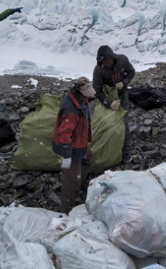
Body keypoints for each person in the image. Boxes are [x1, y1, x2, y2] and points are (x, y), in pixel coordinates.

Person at [52, 77, 96, 214]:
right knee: (71, 183)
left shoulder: (80, 100)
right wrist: (67, 155)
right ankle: (66, 212)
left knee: (89, 159)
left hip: (80, 142)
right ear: (78, 94)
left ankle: (78, 180)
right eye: (85, 96)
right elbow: (64, 134)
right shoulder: (71, 110)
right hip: (72, 147)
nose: (87, 99)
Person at [92, 45, 136, 163]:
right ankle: (109, 151)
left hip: (123, 95)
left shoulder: (122, 60)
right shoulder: (99, 70)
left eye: (107, 61)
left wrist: (124, 82)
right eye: (102, 62)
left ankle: (126, 153)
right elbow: (96, 90)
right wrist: (109, 103)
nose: (105, 63)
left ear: (112, 58)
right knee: (107, 122)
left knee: (124, 123)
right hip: (108, 96)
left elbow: (131, 72)